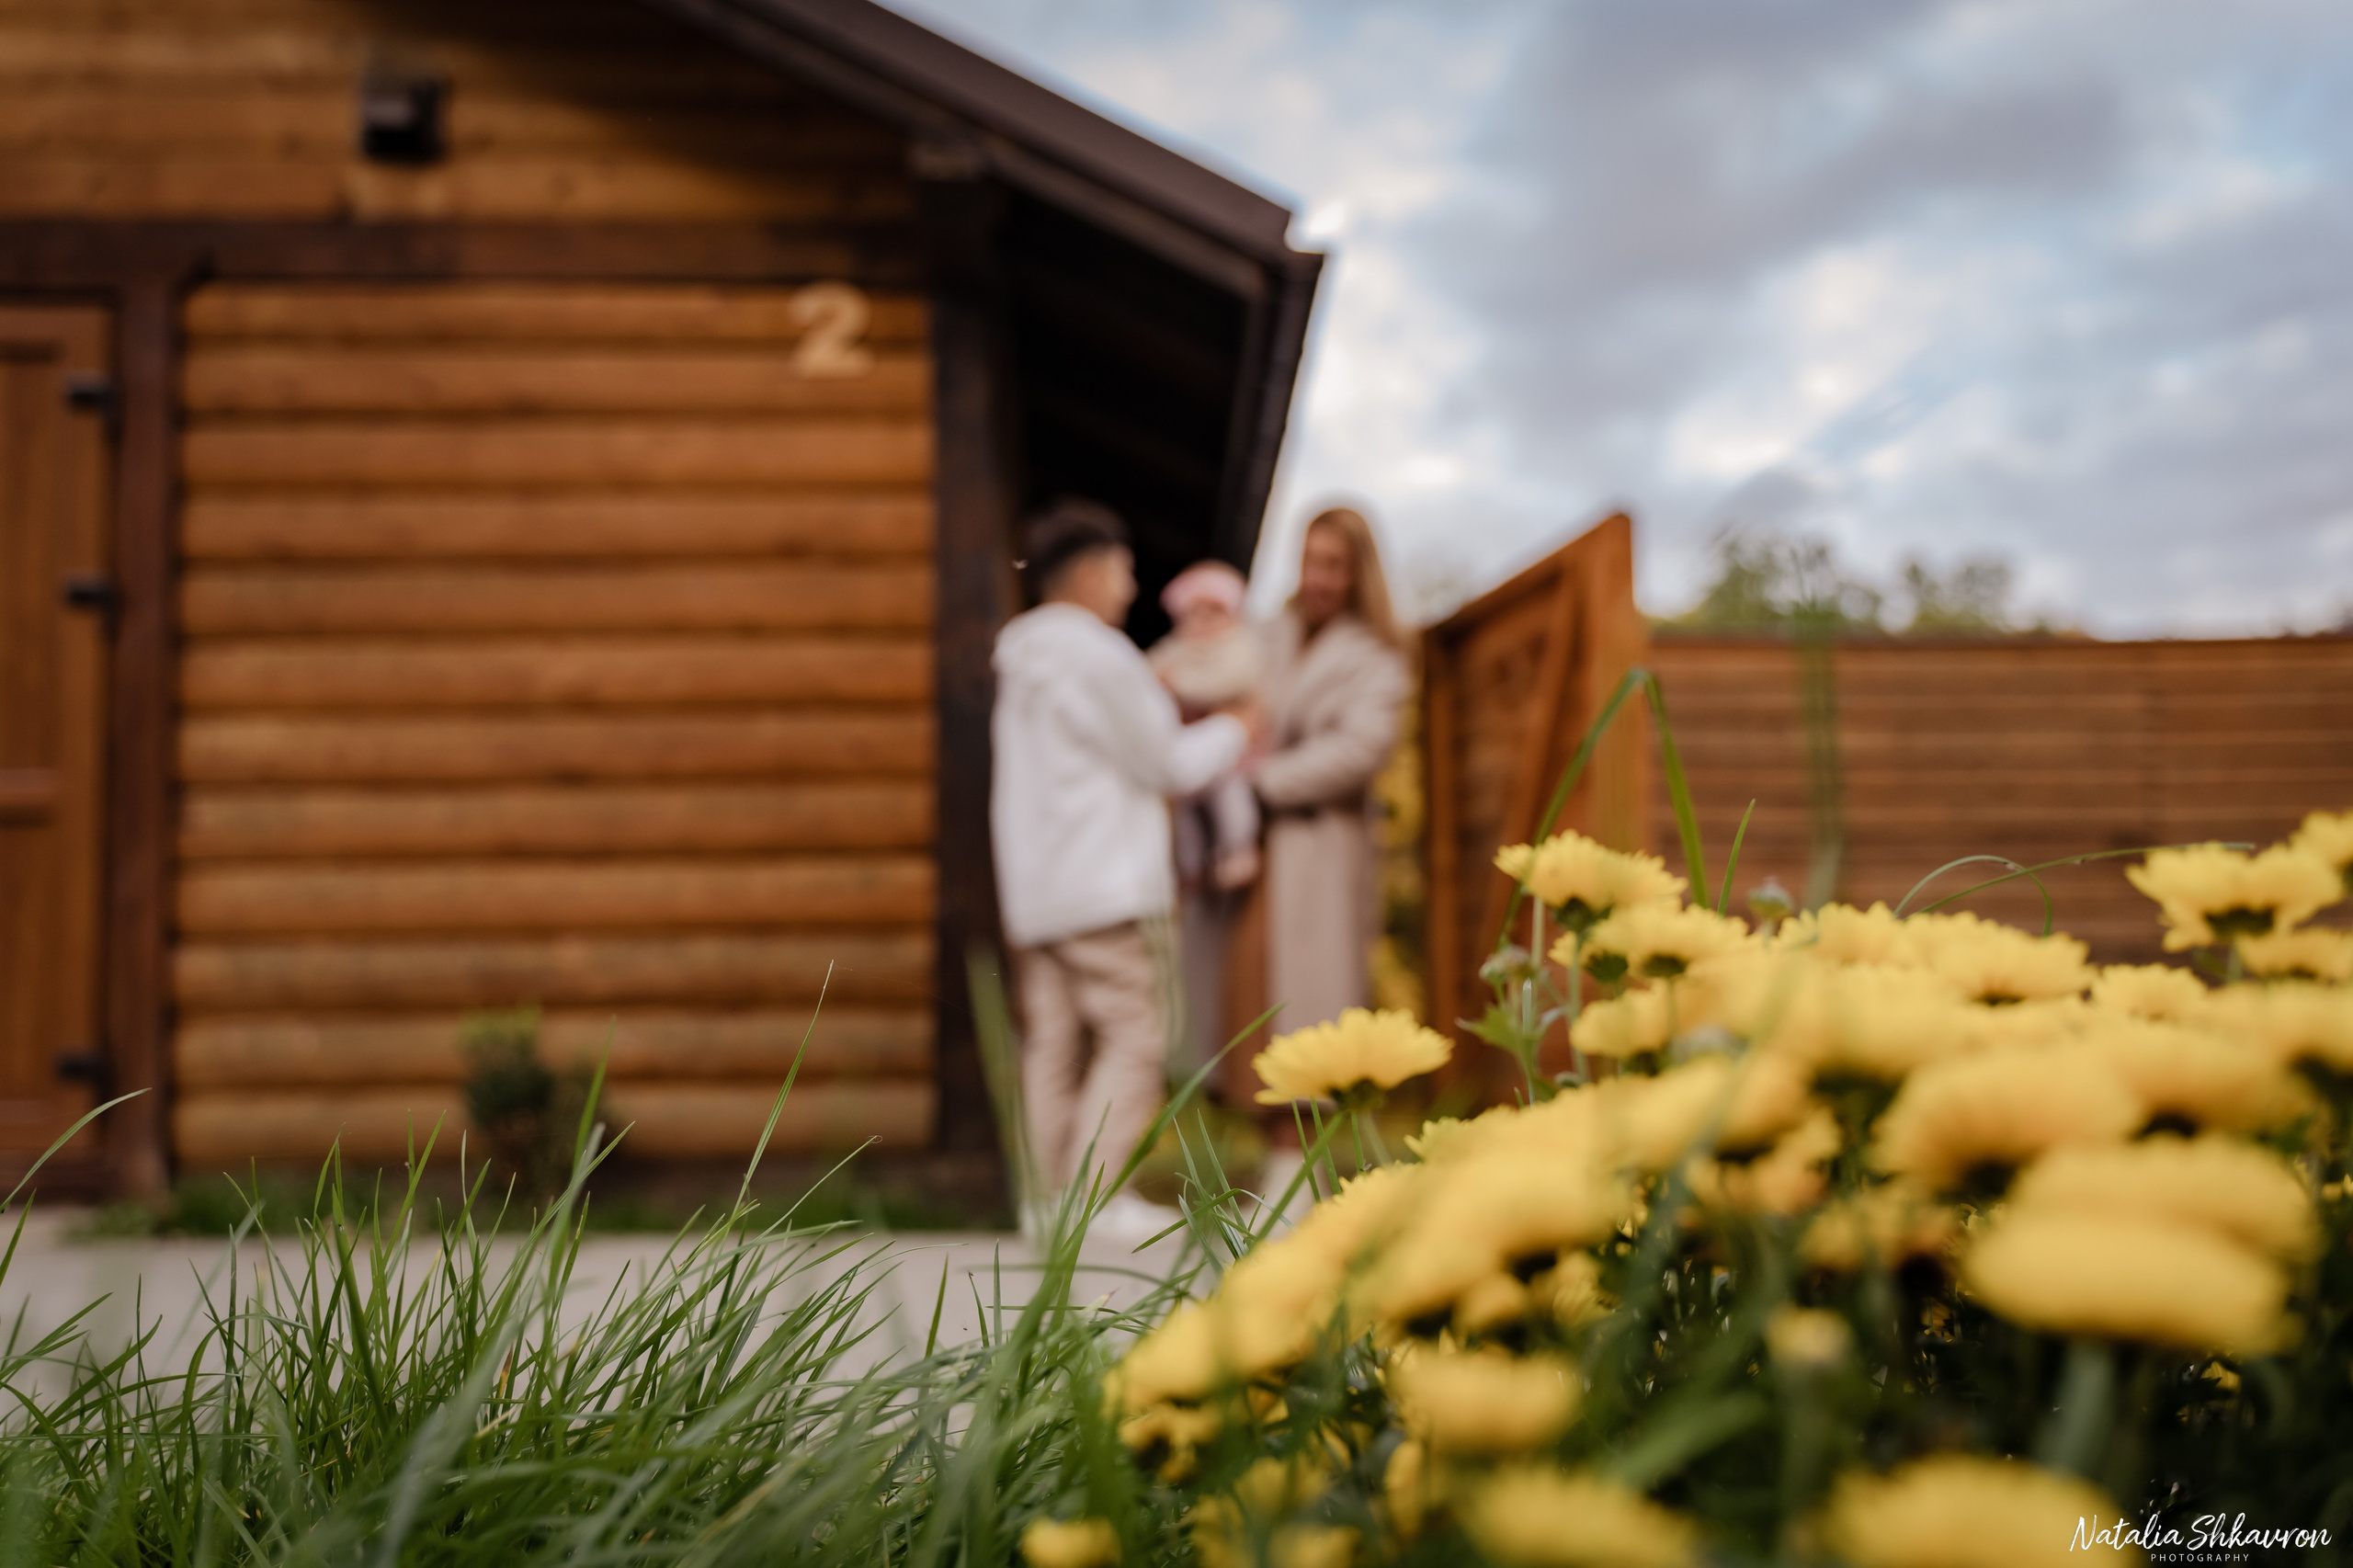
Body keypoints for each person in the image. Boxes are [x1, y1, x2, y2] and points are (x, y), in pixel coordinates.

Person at [990, 499, 1250, 1224]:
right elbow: (1167, 762)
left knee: (1053, 1041)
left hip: (1037, 891)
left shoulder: (1021, 660)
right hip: (1101, 885)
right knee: (1138, 1033)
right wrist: (1236, 729)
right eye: (1125, 570)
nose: (1130, 588)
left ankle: (1046, 1200)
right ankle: (1093, 1200)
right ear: (1094, 571)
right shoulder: (1100, 656)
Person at [1248, 506, 1412, 1037]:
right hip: (1249, 850)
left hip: (1315, 845)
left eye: (1334, 565)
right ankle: (1253, 1118)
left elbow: (1361, 748)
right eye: (1310, 561)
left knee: (1308, 1009)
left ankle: (1302, 1121)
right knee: (1244, 1002)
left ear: (1358, 572)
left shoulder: (1377, 656)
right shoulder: (1267, 636)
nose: (1317, 579)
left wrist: (1262, 782)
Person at [1148, 561, 1267, 893]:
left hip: (1233, 756)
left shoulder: (1239, 651)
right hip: (1195, 752)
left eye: (1213, 613)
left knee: (1230, 796)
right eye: (1195, 614)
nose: (1204, 624)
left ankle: (1238, 849)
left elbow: (1228, 683)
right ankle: (1190, 867)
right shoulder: (1176, 651)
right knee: (1184, 809)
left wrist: (1180, 686)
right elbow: (1148, 673)